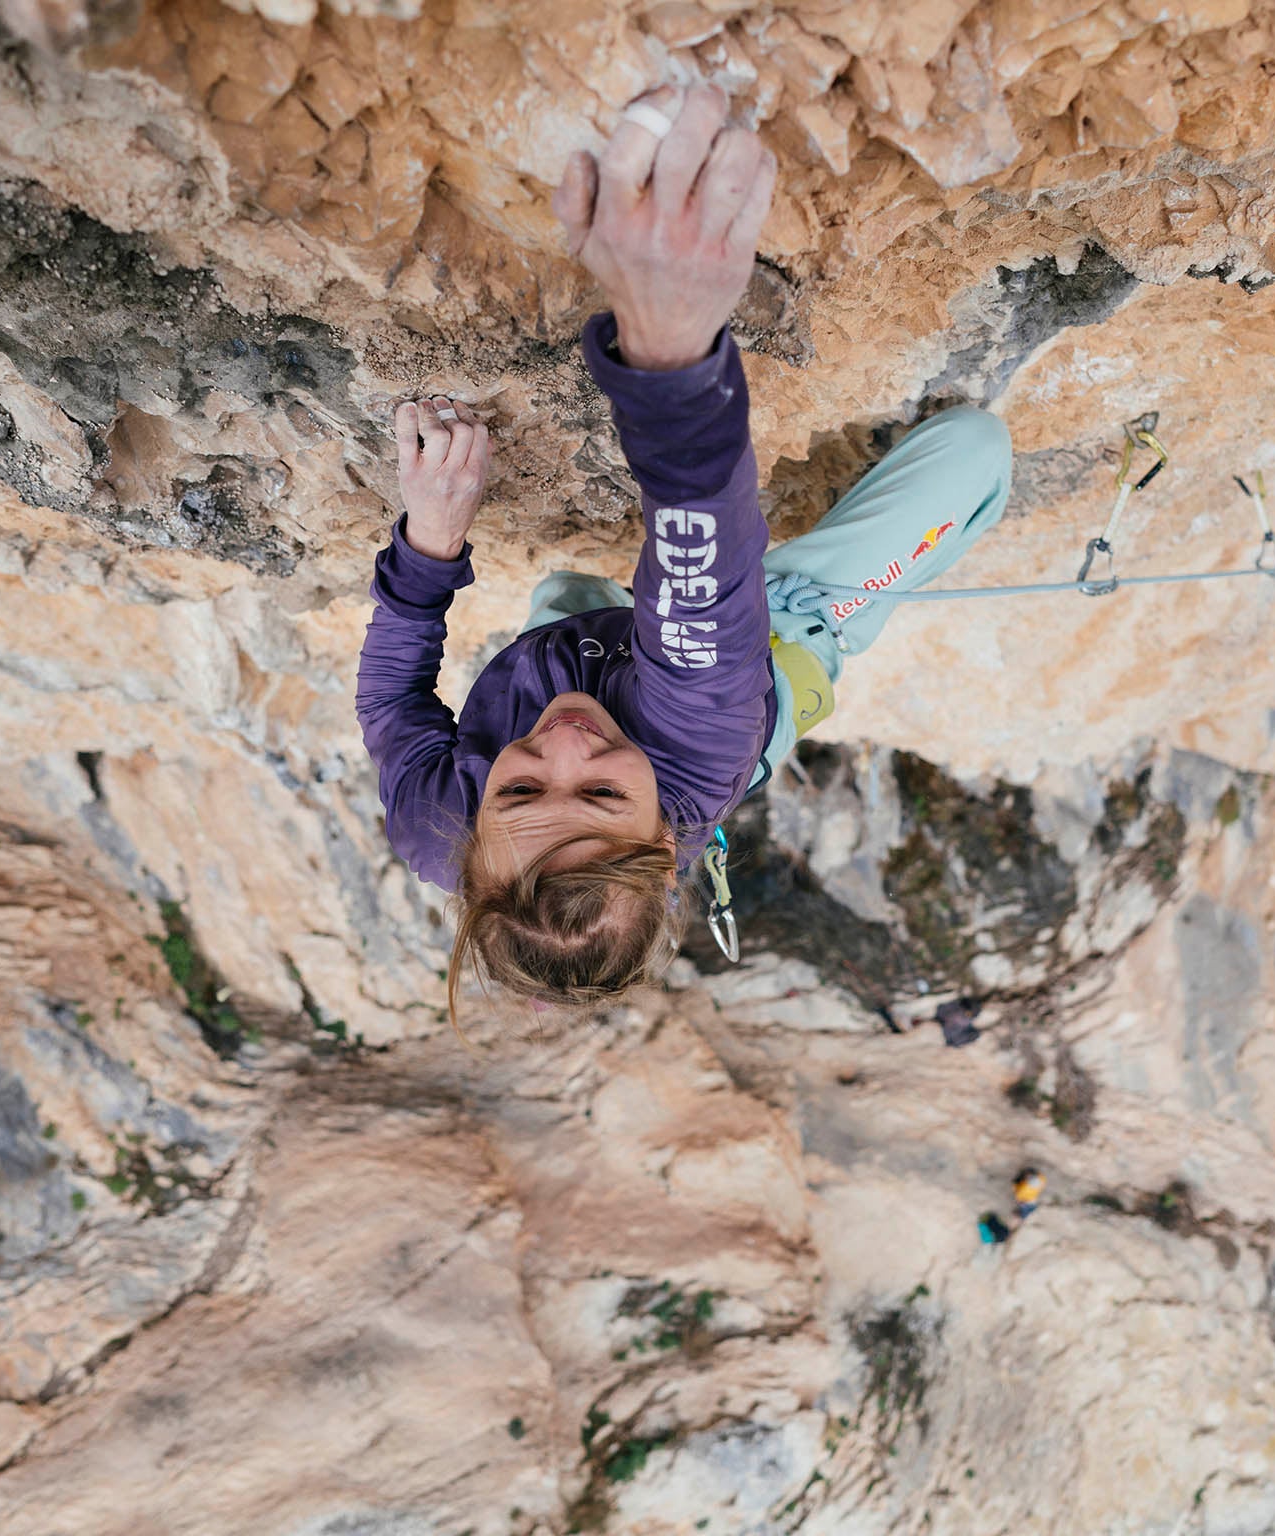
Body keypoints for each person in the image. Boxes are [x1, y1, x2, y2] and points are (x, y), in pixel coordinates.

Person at [356, 84, 1015, 1021]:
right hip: (765, 661)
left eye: (524, 786)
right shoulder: (696, 741)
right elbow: (701, 545)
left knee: (567, 597)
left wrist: (431, 539)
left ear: (472, 842)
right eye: (602, 793)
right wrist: (669, 352)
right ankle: (835, 614)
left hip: (591, 647)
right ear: (665, 839)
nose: (570, 744)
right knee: (978, 453)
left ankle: (592, 626)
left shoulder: (434, 828)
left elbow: (390, 699)